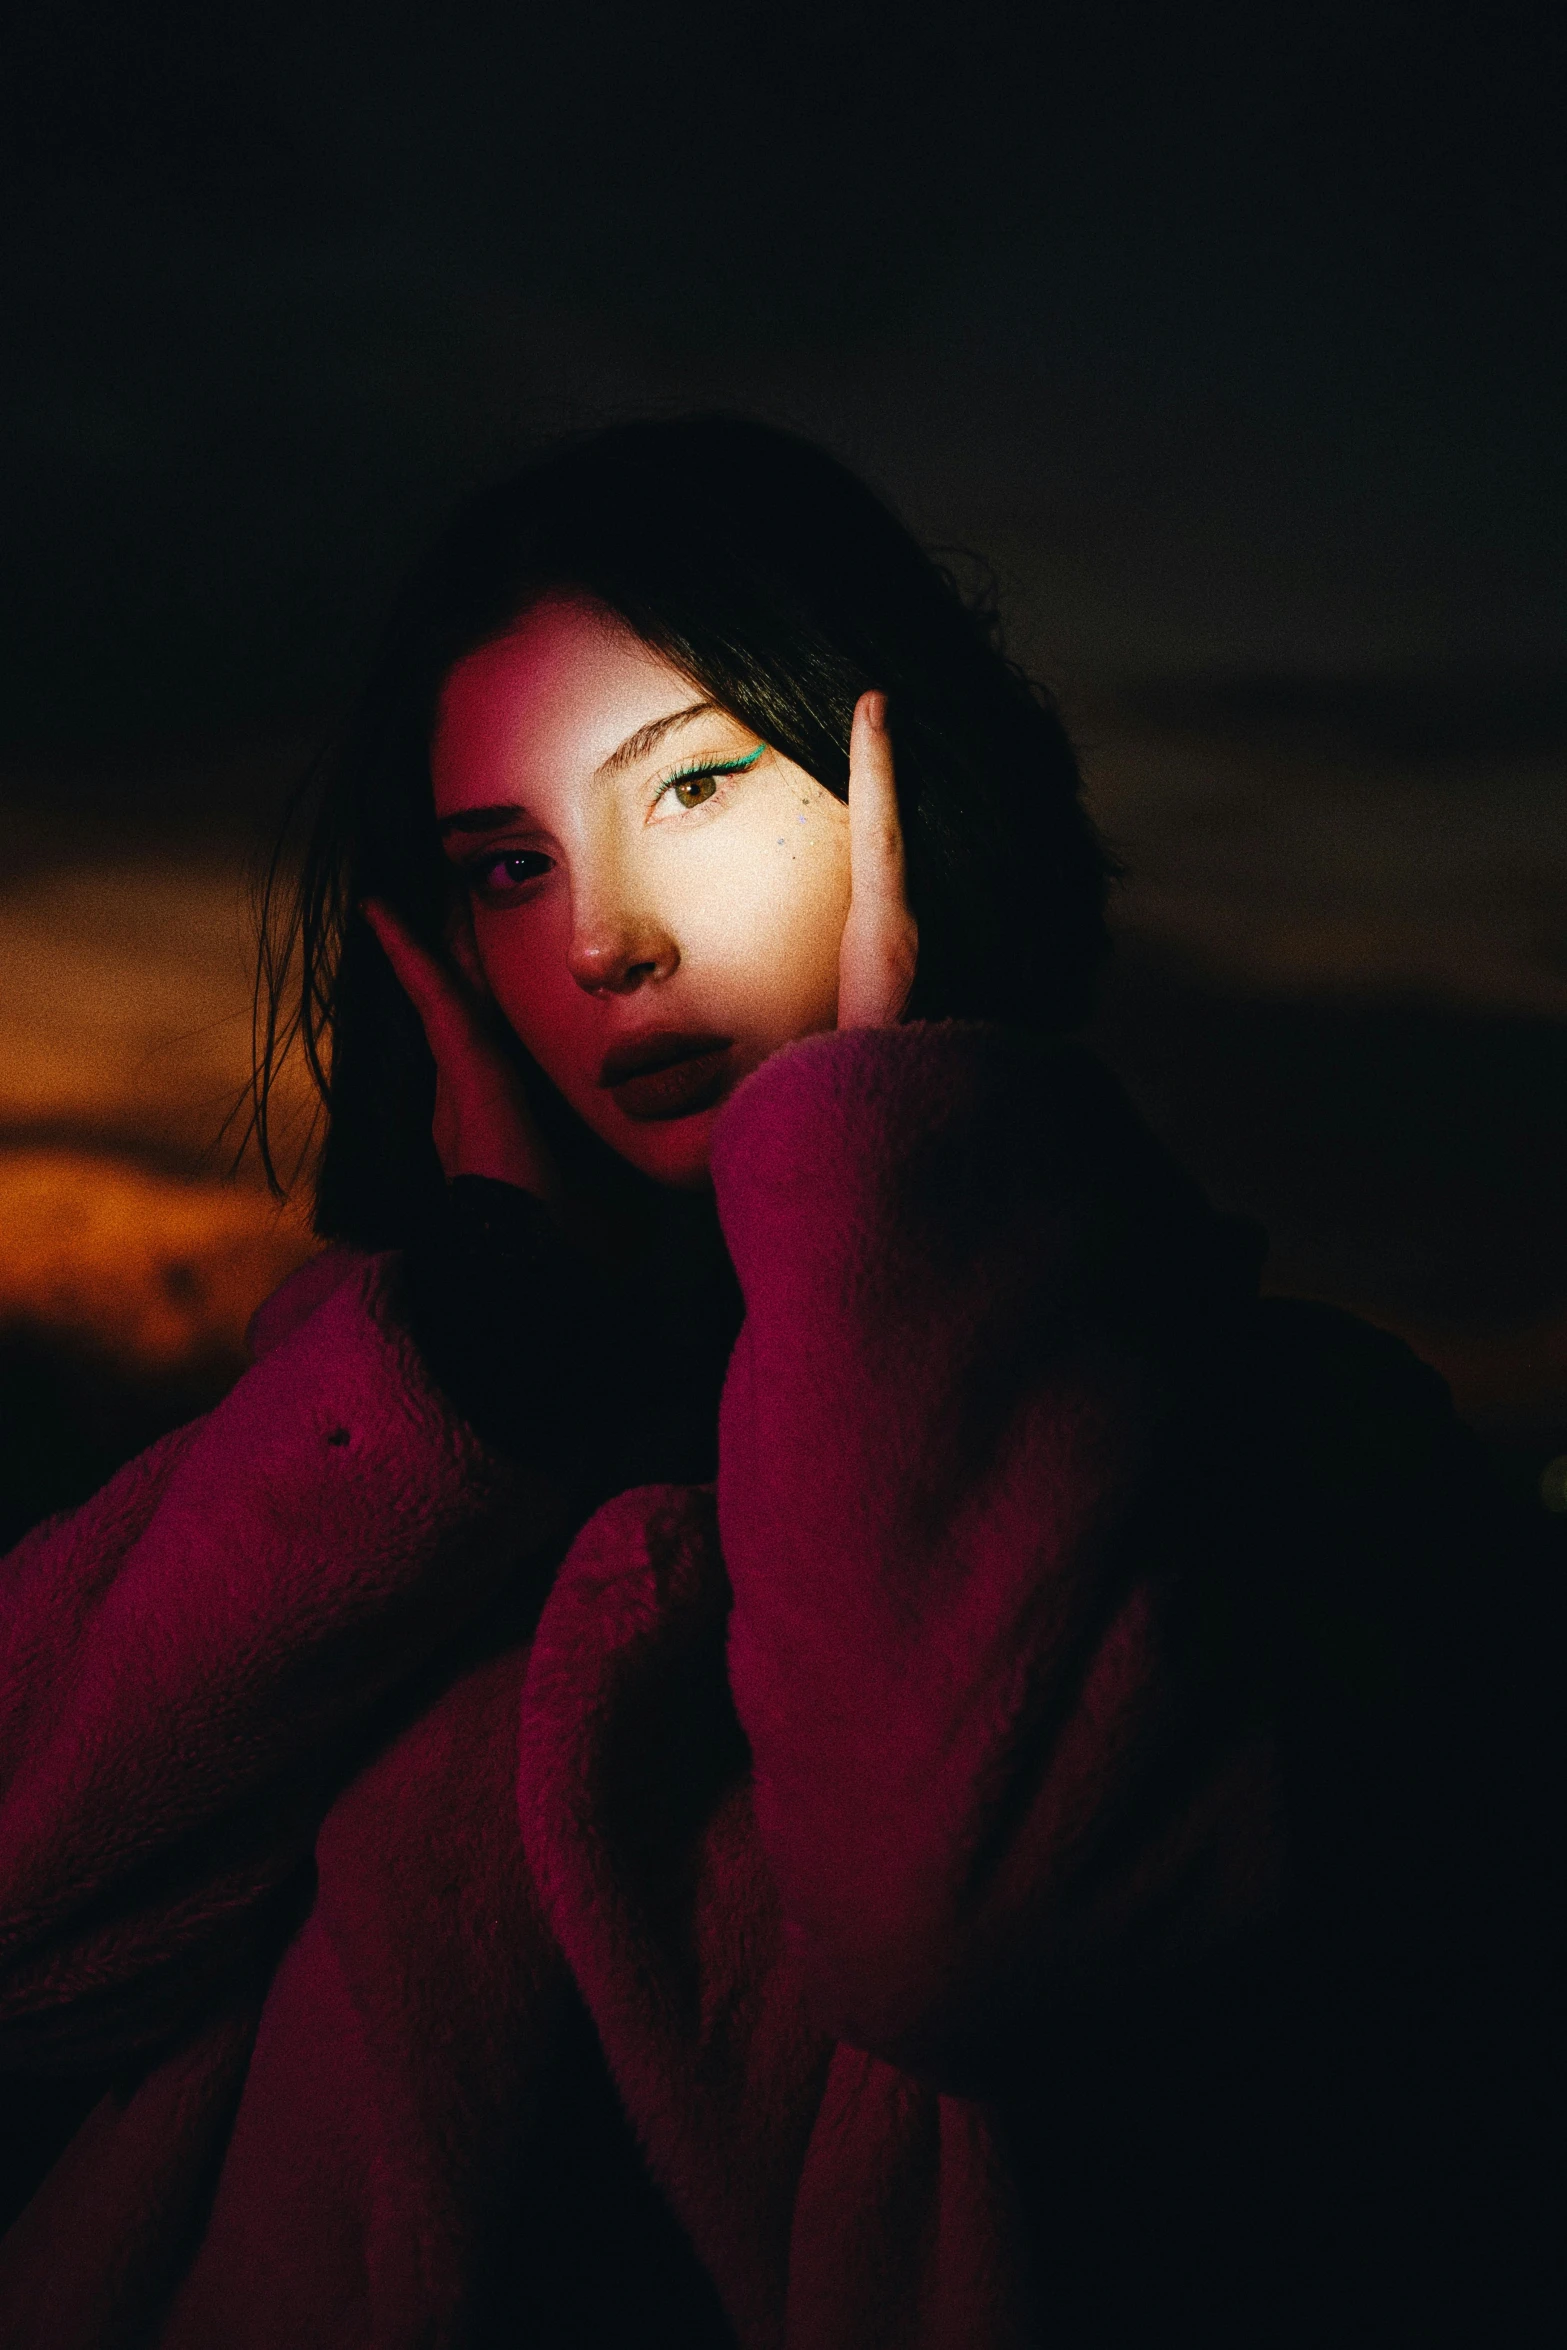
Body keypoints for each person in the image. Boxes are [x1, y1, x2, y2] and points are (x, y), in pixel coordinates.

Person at [0, 416, 1556, 2348]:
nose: (600, 940)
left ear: (908, 778)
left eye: (699, 784)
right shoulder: (401, 1459)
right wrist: (477, 1339)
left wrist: (885, 1161)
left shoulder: (1282, 1439)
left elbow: (964, 1930)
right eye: (508, 863)